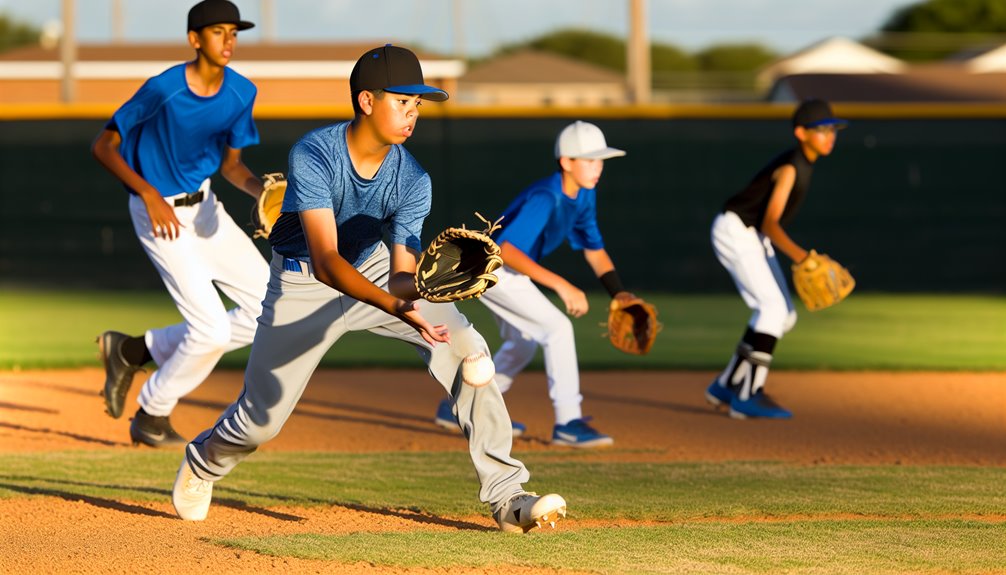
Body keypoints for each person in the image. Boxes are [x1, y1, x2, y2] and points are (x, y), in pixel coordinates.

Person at [170, 44, 567, 534]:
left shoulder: (413, 178)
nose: (413, 114)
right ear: (365, 101)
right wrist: (399, 305)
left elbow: (400, 272)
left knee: (468, 350)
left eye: (418, 104)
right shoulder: (315, 154)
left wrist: (424, 290)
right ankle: (203, 461)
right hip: (302, 282)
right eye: (403, 101)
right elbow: (326, 262)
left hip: (373, 269)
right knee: (261, 419)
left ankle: (508, 497)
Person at [91, 0, 270, 448]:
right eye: (218, 31)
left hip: (206, 208)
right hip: (158, 211)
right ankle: (152, 413)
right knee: (208, 328)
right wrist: (148, 192)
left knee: (270, 309)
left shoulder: (241, 92)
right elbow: (103, 146)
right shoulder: (163, 89)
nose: (228, 39)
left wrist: (260, 191)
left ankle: (134, 351)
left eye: (234, 31)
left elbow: (233, 167)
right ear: (194, 40)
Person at [436, 120, 632, 449]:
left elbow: (594, 249)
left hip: (501, 269)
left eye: (601, 160)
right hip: (494, 267)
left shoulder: (584, 195)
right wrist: (562, 285)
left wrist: (619, 292)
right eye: (589, 160)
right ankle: (569, 422)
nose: (597, 167)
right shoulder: (547, 195)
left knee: (524, 342)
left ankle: (463, 404)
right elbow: (508, 250)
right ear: (566, 162)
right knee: (557, 328)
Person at [705, 98, 847, 419]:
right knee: (771, 308)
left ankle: (726, 385)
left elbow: (768, 227)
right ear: (801, 133)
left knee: (783, 316)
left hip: (753, 234)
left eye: (833, 129)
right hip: (735, 229)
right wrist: (802, 257)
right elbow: (771, 222)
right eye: (821, 129)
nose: (830, 135)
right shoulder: (791, 168)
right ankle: (748, 395)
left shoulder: (804, 164)